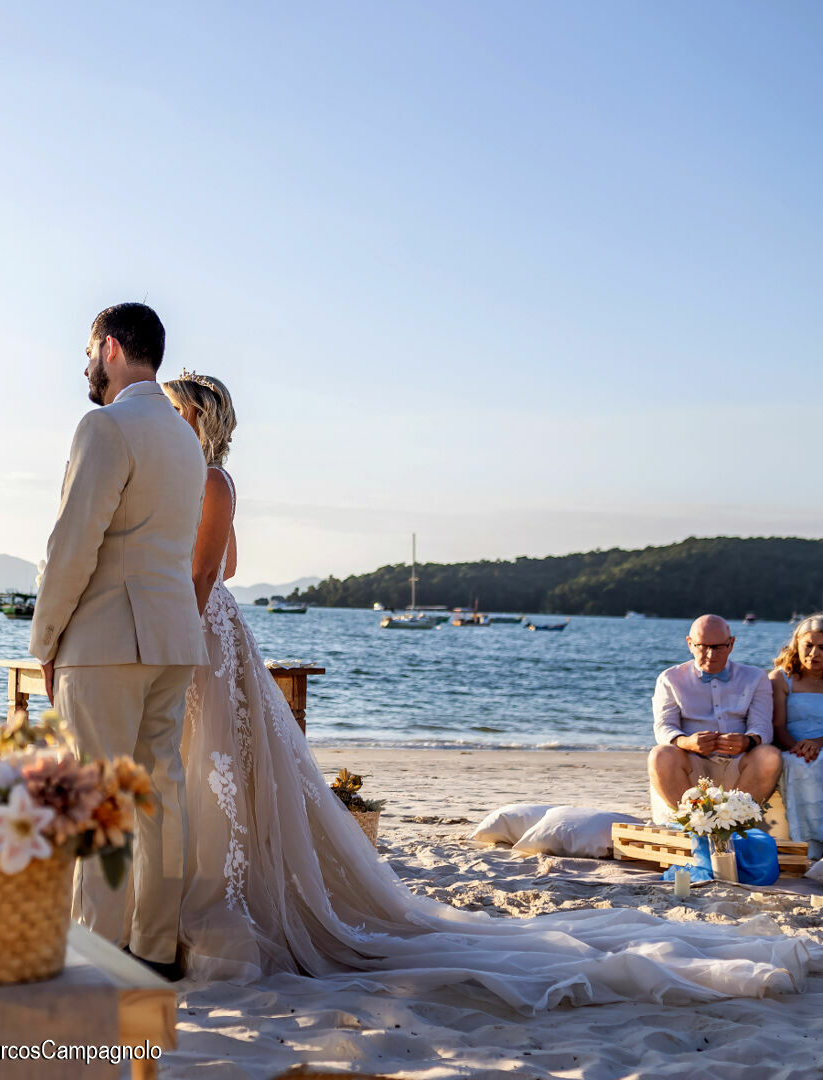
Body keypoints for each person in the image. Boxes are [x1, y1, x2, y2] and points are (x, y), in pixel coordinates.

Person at [165, 371, 818, 1007]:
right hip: (203, 627)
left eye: (174, 410)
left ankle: (213, 905)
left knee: (215, 763)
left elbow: (209, 577)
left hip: (201, 633)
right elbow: (227, 566)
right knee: (203, 766)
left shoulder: (211, 479)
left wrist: (172, 641)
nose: (163, 419)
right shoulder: (184, 479)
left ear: (200, 418)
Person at [31, 303, 208, 982]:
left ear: (108, 349)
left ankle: (95, 950)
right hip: (171, 636)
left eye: (85, 351)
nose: (82, 365)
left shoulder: (104, 425)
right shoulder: (185, 439)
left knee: (97, 796)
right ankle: (155, 949)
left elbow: (74, 543)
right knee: (160, 793)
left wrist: (45, 638)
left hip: (105, 636)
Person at [649, 614, 780, 817]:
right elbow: (664, 727)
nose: (710, 654)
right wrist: (687, 742)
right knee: (660, 755)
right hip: (692, 766)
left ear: (731, 644)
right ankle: (694, 823)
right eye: (702, 646)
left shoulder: (756, 677)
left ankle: (734, 823)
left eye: (718, 647)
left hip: (740, 765)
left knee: (770, 756)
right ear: (690, 644)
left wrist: (748, 742)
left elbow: (763, 727)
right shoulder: (669, 678)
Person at [771, 615, 823, 857]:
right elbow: (778, 726)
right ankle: (810, 847)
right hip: (792, 746)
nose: (815, 653)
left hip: (821, 744)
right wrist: (799, 747)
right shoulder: (782, 679)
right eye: (809, 646)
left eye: (822, 647)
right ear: (797, 645)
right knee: (799, 763)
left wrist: (818, 744)